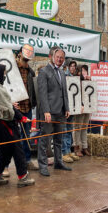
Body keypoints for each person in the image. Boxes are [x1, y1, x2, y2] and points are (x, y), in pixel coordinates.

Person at [0, 63, 35, 187]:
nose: (4, 76)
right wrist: (19, 118)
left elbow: (4, 105)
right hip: (4, 124)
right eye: (3, 74)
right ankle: (23, 177)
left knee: (5, 151)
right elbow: (9, 110)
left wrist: (20, 117)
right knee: (17, 148)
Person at [37, 47, 72, 176]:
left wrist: (67, 108)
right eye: (57, 57)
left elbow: (64, 92)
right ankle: (43, 165)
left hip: (61, 112)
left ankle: (58, 162)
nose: (59, 59)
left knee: (59, 138)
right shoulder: (44, 72)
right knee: (44, 140)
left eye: (62, 58)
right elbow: (42, 93)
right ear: (52, 57)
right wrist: (46, 111)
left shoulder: (62, 72)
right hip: (49, 112)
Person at [15, 44, 38, 170]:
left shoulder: (31, 71)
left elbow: (32, 90)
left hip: (27, 107)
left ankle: (27, 161)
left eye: (29, 53)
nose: (27, 55)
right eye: (25, 52)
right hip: (15, 108)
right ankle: (7, 166)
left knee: (26, 137)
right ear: (20, 53)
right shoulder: (12, 69)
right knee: (12, 137)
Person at [61, 60, 79, 163]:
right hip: (66, 107)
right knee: (65, 130)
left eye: (74, 66)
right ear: (68, 67)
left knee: (69, 130)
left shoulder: (74, 77)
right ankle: (65, 152)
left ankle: (68, 150)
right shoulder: (65, 76)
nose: (73, 68)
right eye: (71, 66)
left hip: (72, 107)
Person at [72, 65, 91, 157]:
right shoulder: (75, 81)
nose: (84, 72)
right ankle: (77, 147)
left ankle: (84, 147)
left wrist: (89, 81)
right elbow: (74, 96)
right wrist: (80, 105)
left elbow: (91, 94)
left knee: (84, 128)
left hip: (87, 107)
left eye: (85, 71)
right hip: (79, 108)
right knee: (77, 128)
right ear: (78, 72)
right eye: (82, 70)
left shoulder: (87, 82)